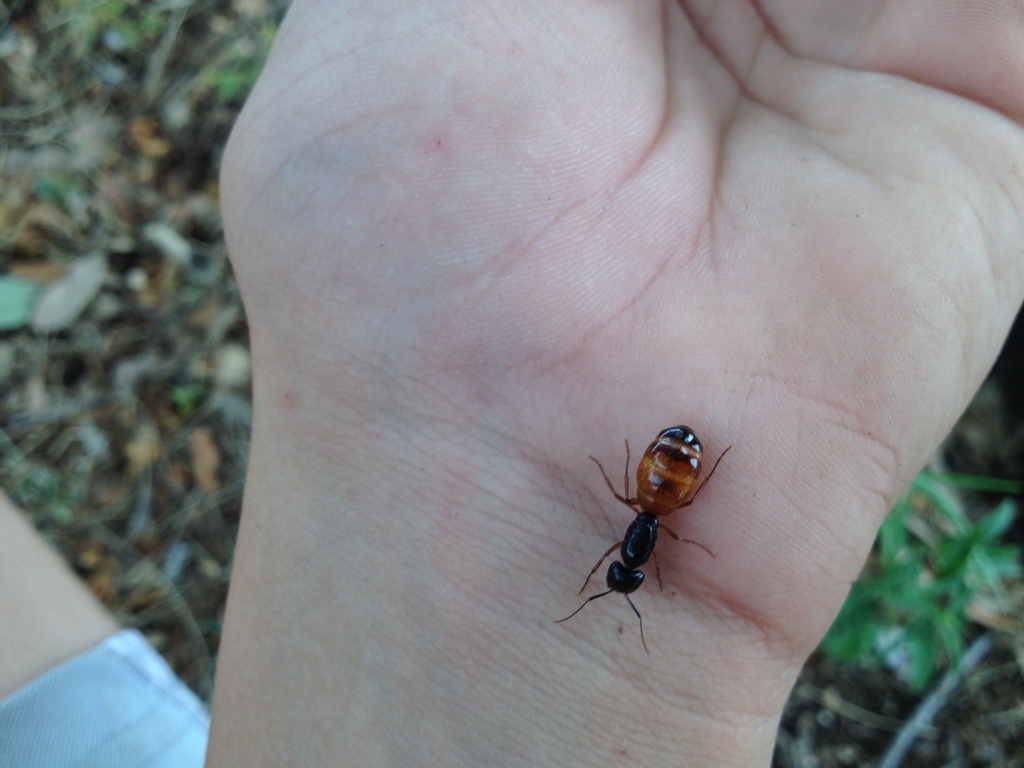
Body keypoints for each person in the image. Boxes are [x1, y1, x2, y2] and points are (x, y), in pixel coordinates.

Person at [4, 2, 1024, 766]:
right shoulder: (652, 529)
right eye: (624, 577)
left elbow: (646, 533)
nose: (621, 573)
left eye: (617, 577)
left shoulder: (645, 529)